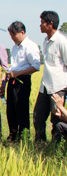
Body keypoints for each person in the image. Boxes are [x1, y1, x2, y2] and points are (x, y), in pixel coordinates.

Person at [33, 11, 67, 142]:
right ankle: (40, 142)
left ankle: (55, 145)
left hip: (58, 86)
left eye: (42, 23)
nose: (40, 25)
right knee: (38, 116)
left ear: (50, 24)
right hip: (45, 86)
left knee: (56, 118)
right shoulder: (45, 41)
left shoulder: (62, 42)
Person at [6, 21, 41, 141]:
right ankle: (13, 133)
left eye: (14, 35)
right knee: (11, 109)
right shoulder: (15, 47)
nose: (12, 38)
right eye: (10, 36)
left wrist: (18, 73)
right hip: (12, 79)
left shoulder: (30, 46)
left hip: (22, 81)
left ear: (22, 32)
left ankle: (23, 135)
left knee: (21, 108)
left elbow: (36, 66)